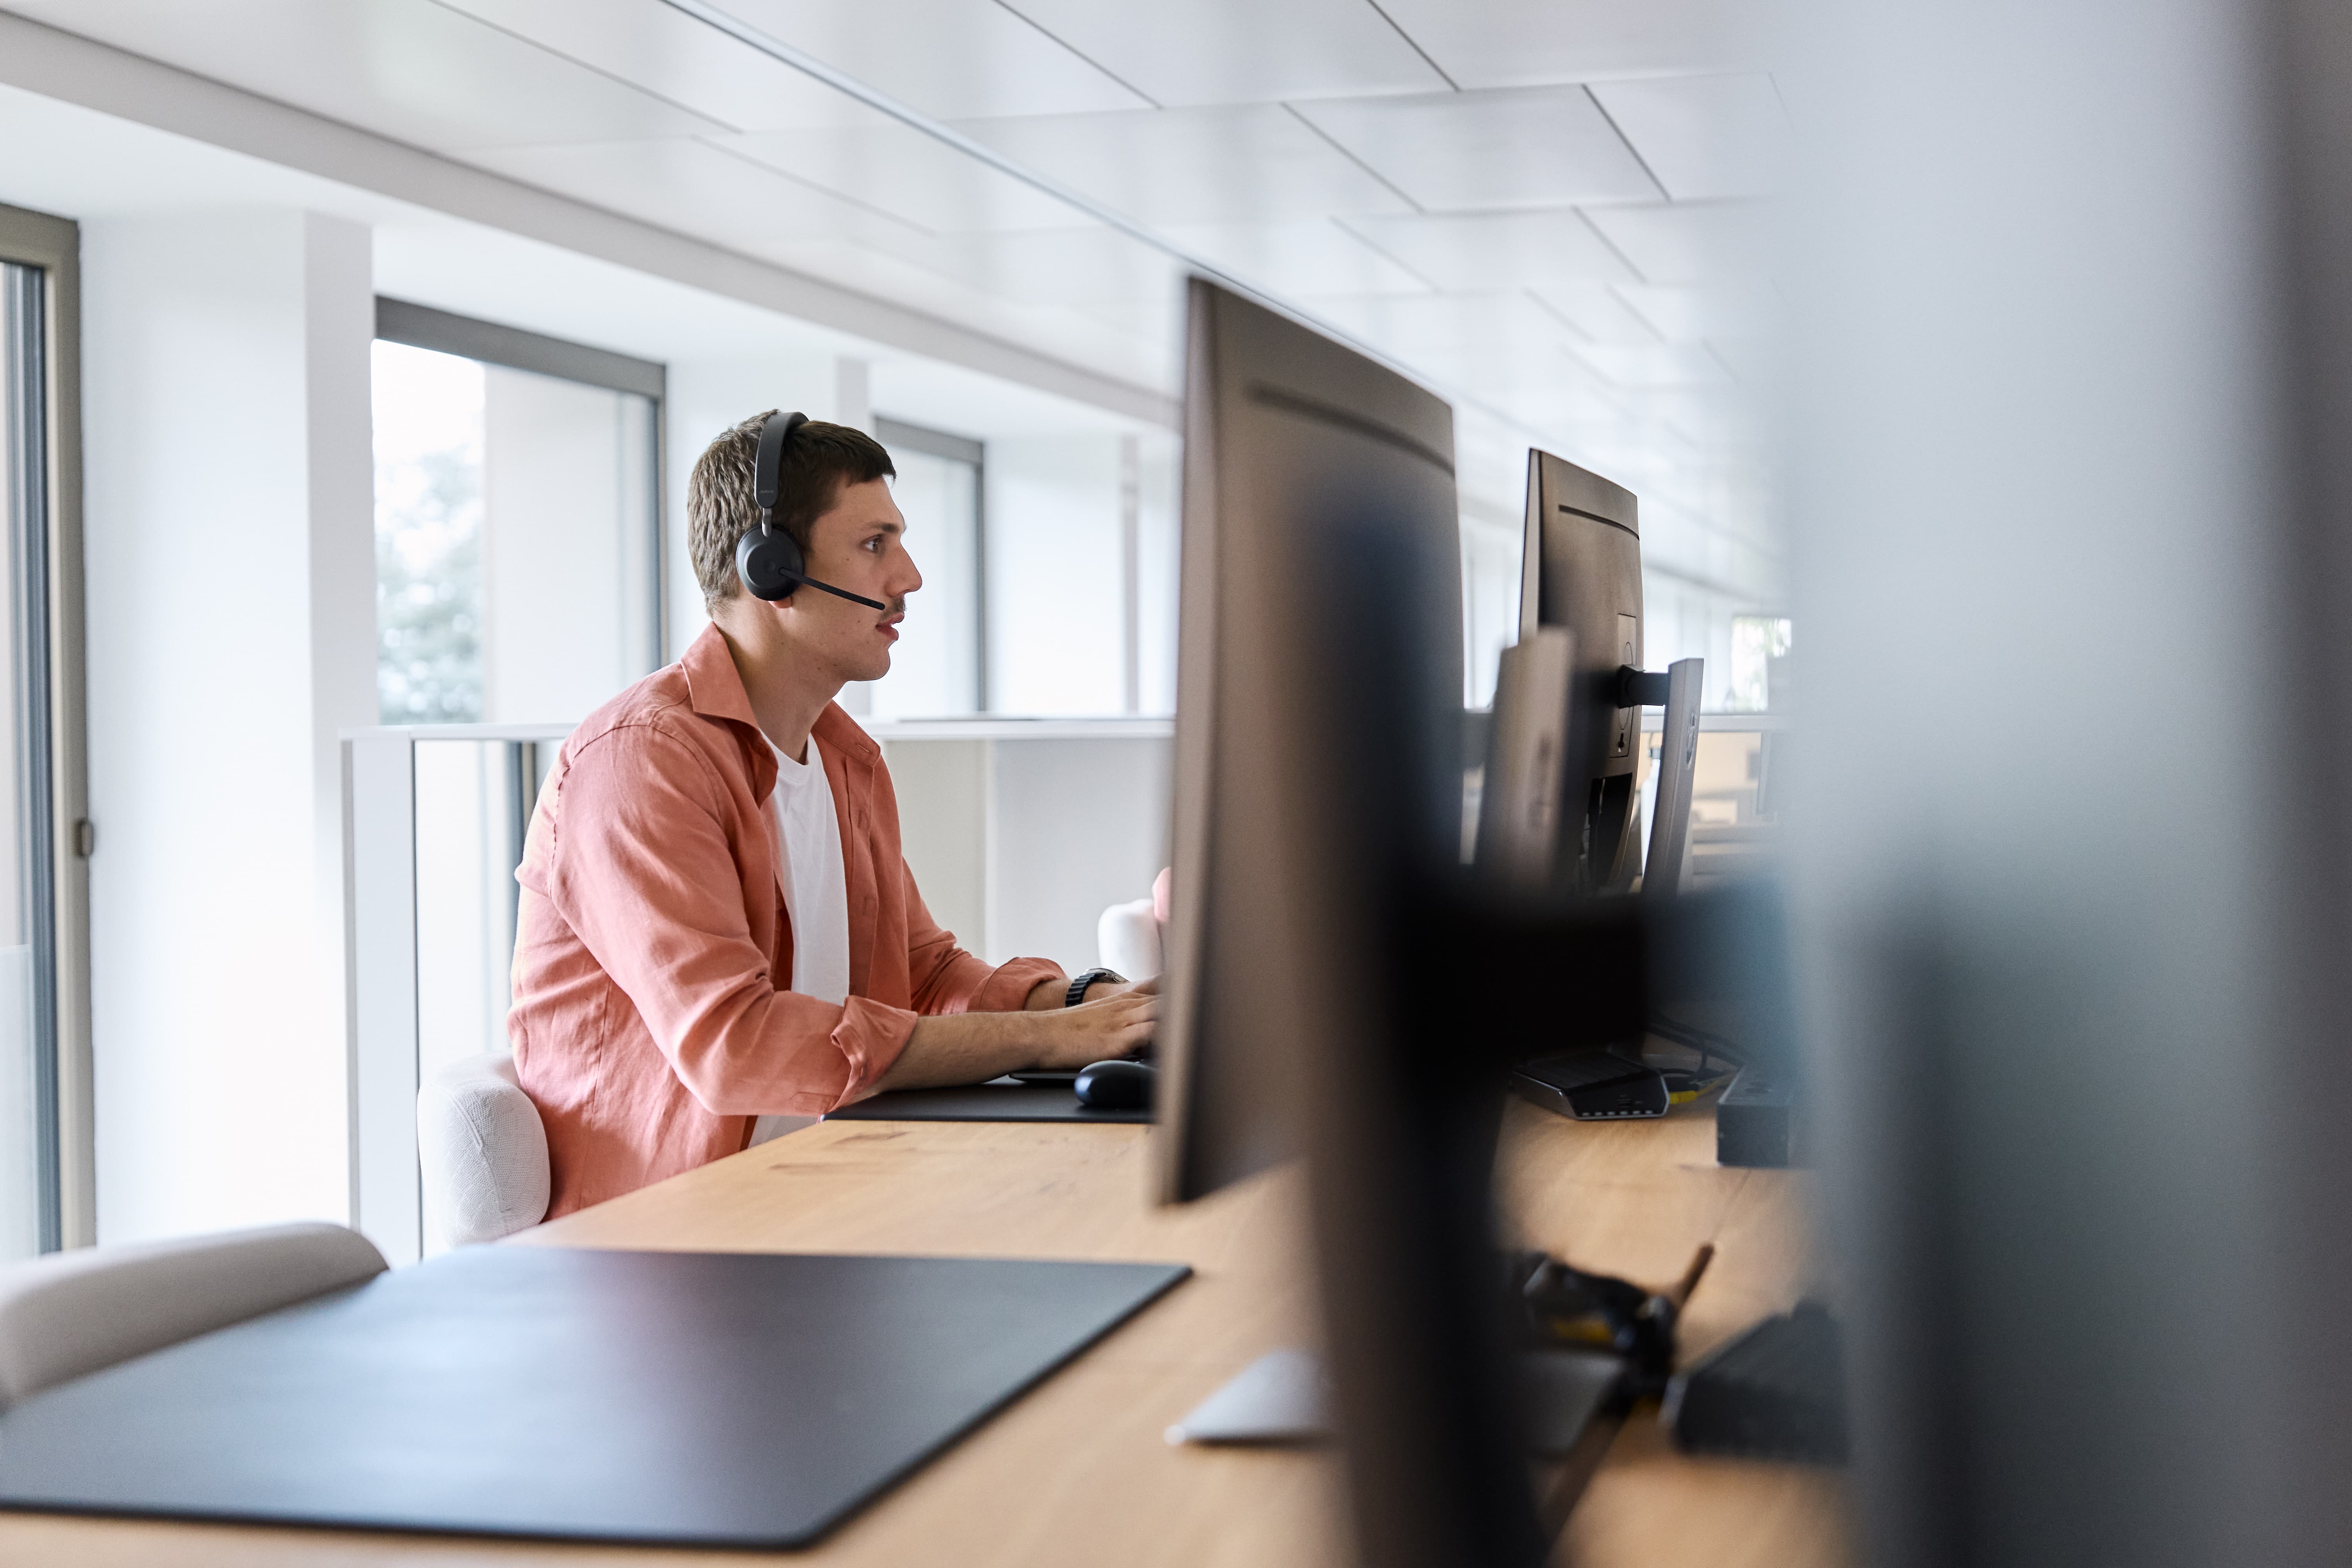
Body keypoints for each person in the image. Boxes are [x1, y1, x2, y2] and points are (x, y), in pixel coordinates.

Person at [510, 412, 1154, 1216]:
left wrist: (1084, 1004)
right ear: (769, 569)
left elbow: (923, 973)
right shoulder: (641, 761)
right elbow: (732, 1045)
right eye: (875, 544)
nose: (910, 576)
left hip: (836, 1188)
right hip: (664, 1236)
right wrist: (1045, 1041)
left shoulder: (846, 758)